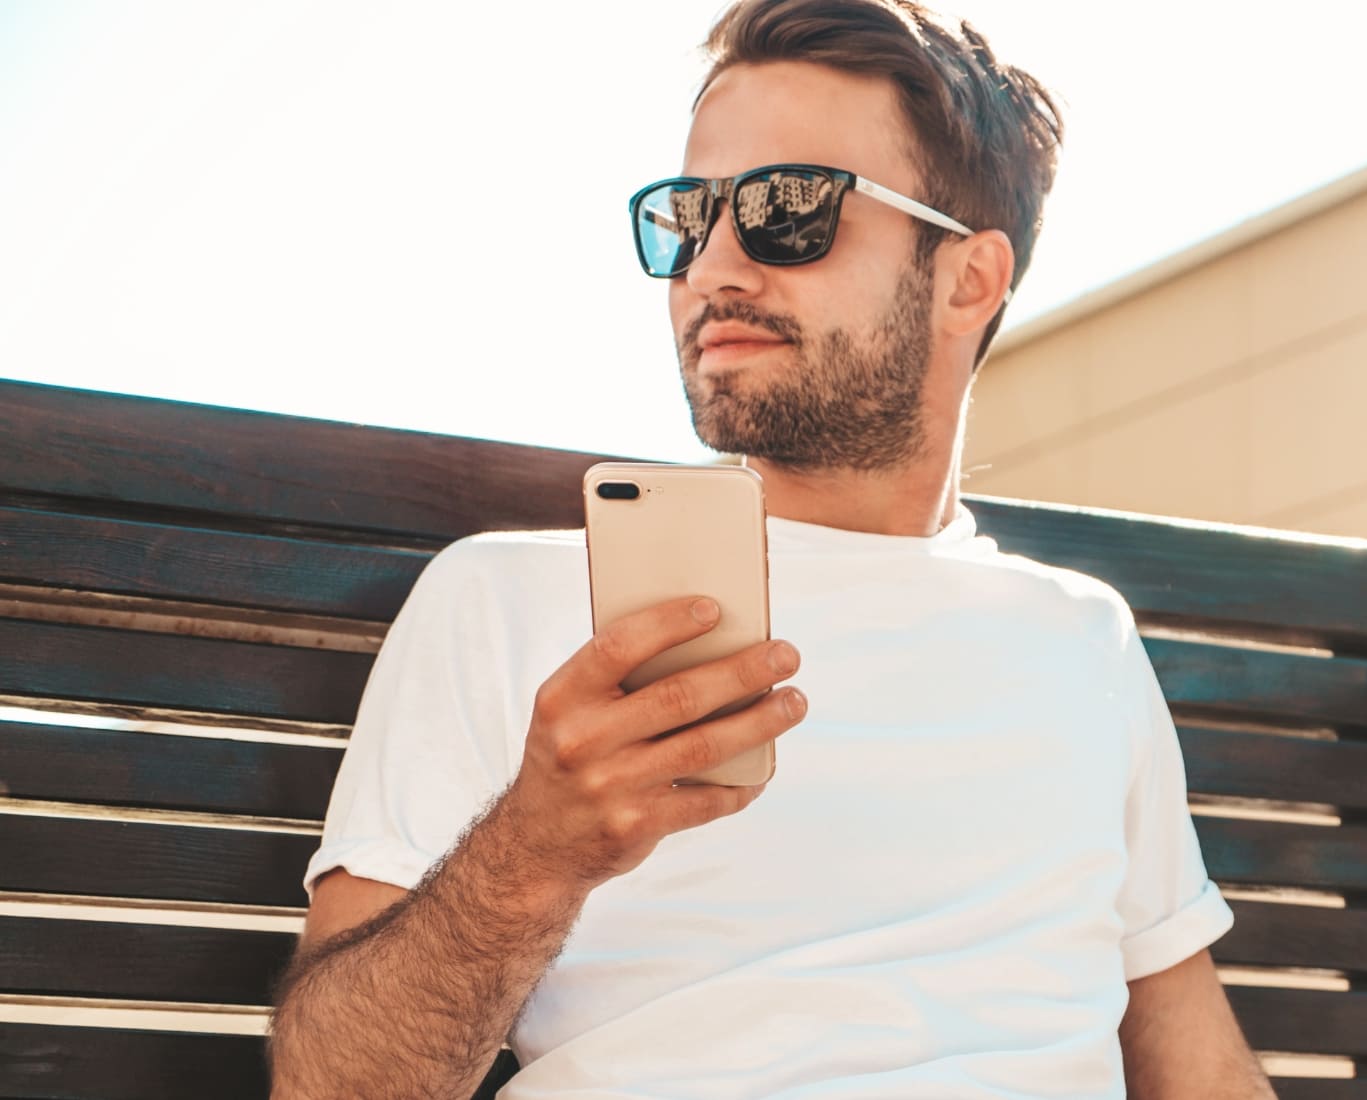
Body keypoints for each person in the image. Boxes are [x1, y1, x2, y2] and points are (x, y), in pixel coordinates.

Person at [265, 1, 1275, 1096]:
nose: (713, 268)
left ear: (967, 279)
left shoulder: (1080, 637)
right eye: (687, 218)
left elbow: (1196, 1062)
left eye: (787, 210)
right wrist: (535, 850)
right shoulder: (513, 600)